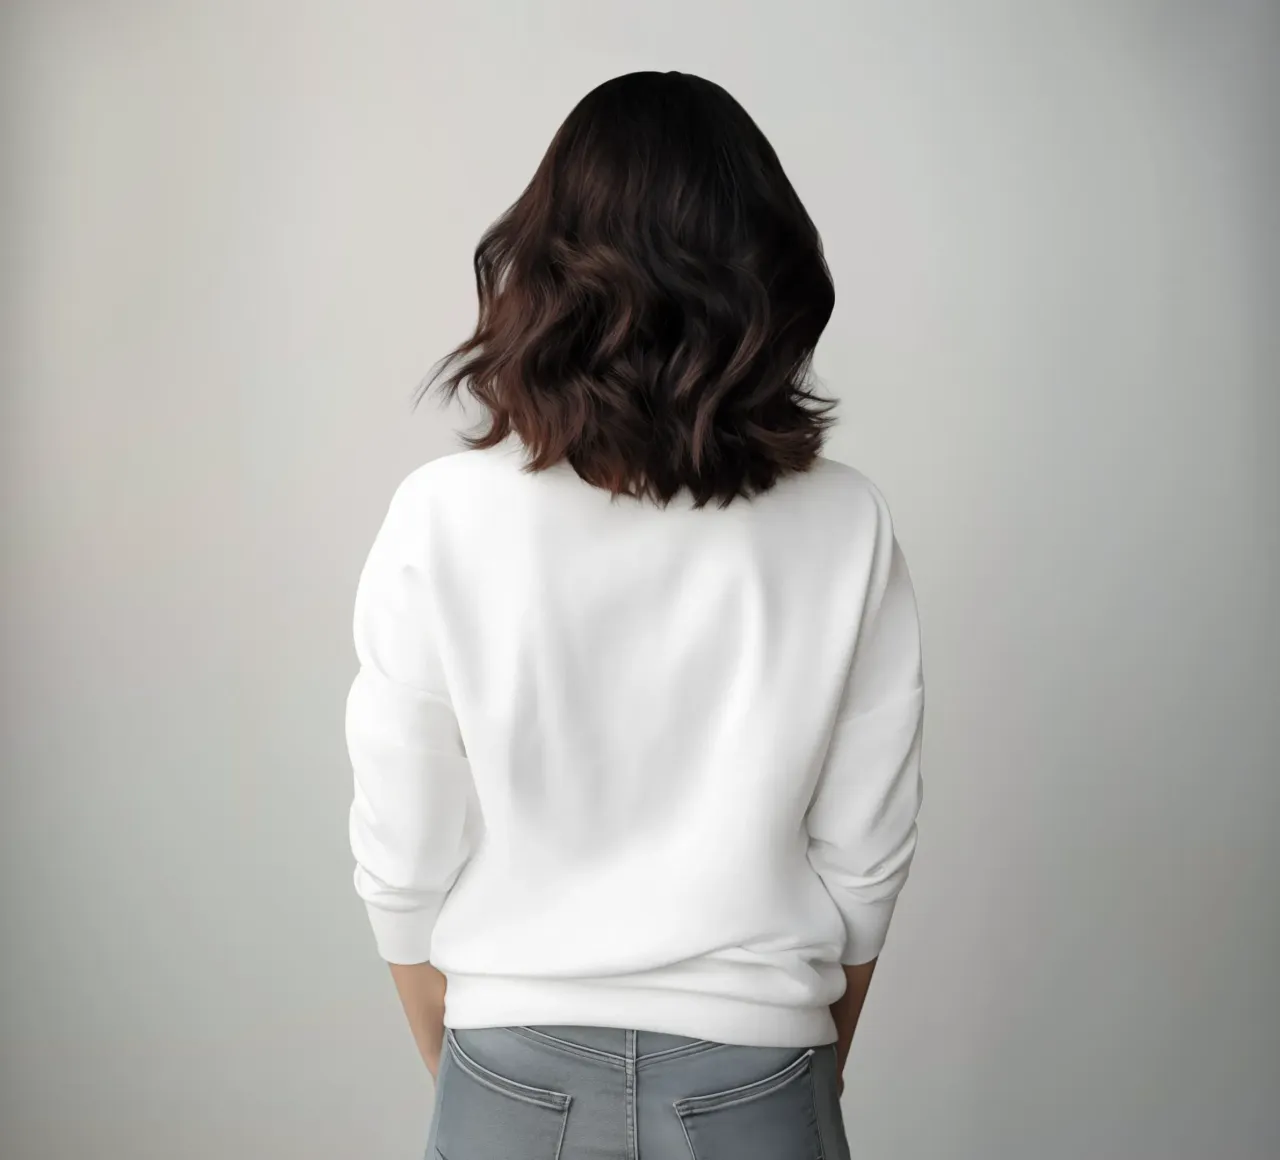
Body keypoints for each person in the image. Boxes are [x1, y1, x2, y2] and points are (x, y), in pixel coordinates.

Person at [346, 70, 924, 1160]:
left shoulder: (442, 515)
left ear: (544, 265)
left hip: (506, 1067)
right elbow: (864, 855)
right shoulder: (845, 522)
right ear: (771, 272)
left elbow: (402, 847)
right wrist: (797, 1059)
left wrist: (475, 1067)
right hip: (759, 1064)